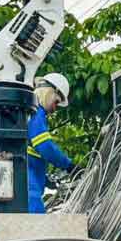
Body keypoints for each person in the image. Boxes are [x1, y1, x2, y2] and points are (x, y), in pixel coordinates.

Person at [27, 73, 76, 213]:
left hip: (28, 183)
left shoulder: (30, 112)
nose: (55, 109)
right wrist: (69, 166)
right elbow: (45, 146)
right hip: (29, 188)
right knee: (37, 230)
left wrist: (45, 179)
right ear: (50, 91)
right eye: (56, 102)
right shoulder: (35, 112)